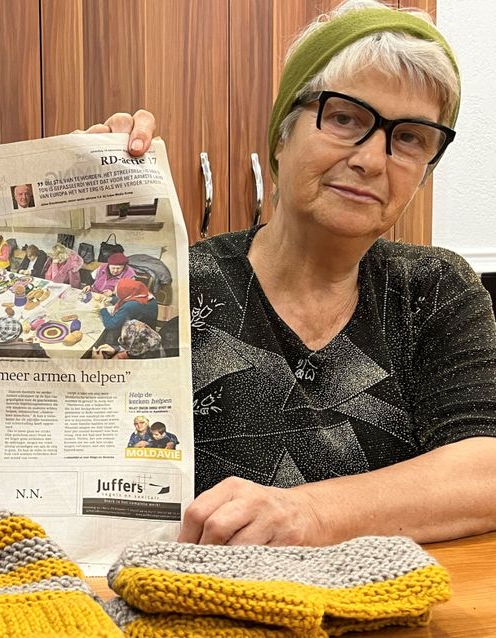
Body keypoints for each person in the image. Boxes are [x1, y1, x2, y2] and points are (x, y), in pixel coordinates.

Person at [105, 0, 496, 546]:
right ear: (282, 136)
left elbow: (484, 470)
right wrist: (77, 207)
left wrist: (309, 512)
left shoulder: (433, 289)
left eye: (409, 138)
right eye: (344, 119)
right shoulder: (174, 285)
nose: (372, 160)